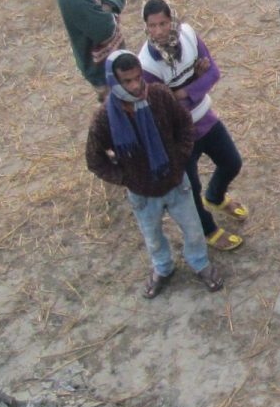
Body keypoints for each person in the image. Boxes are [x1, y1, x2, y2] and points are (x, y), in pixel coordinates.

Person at [85, 51, 224, 298]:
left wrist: (179, 159)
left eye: (138, 77)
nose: (137, 86)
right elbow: (95, 160)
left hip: (175, 182)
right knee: (153, 237)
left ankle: (200, 263)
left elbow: (184, 125)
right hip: (142, 194)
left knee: (193, 229)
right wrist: (126, 178)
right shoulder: (105, 118)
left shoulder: (159, 95)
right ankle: (163, 268)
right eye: (127, 81)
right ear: (114, 82)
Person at [138, 0, 245, 252]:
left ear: (172, 20)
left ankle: (216, 197)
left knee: (232, 162)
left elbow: (214, 73)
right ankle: (209, 230)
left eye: (163, 23)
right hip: (179, 135)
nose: (159, 32)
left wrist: (183, 92)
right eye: (152, 26)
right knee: (191, 187)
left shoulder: (187, 35)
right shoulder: (147, 64)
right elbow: (165, 108)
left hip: (204, 117)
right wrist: (195, 81)